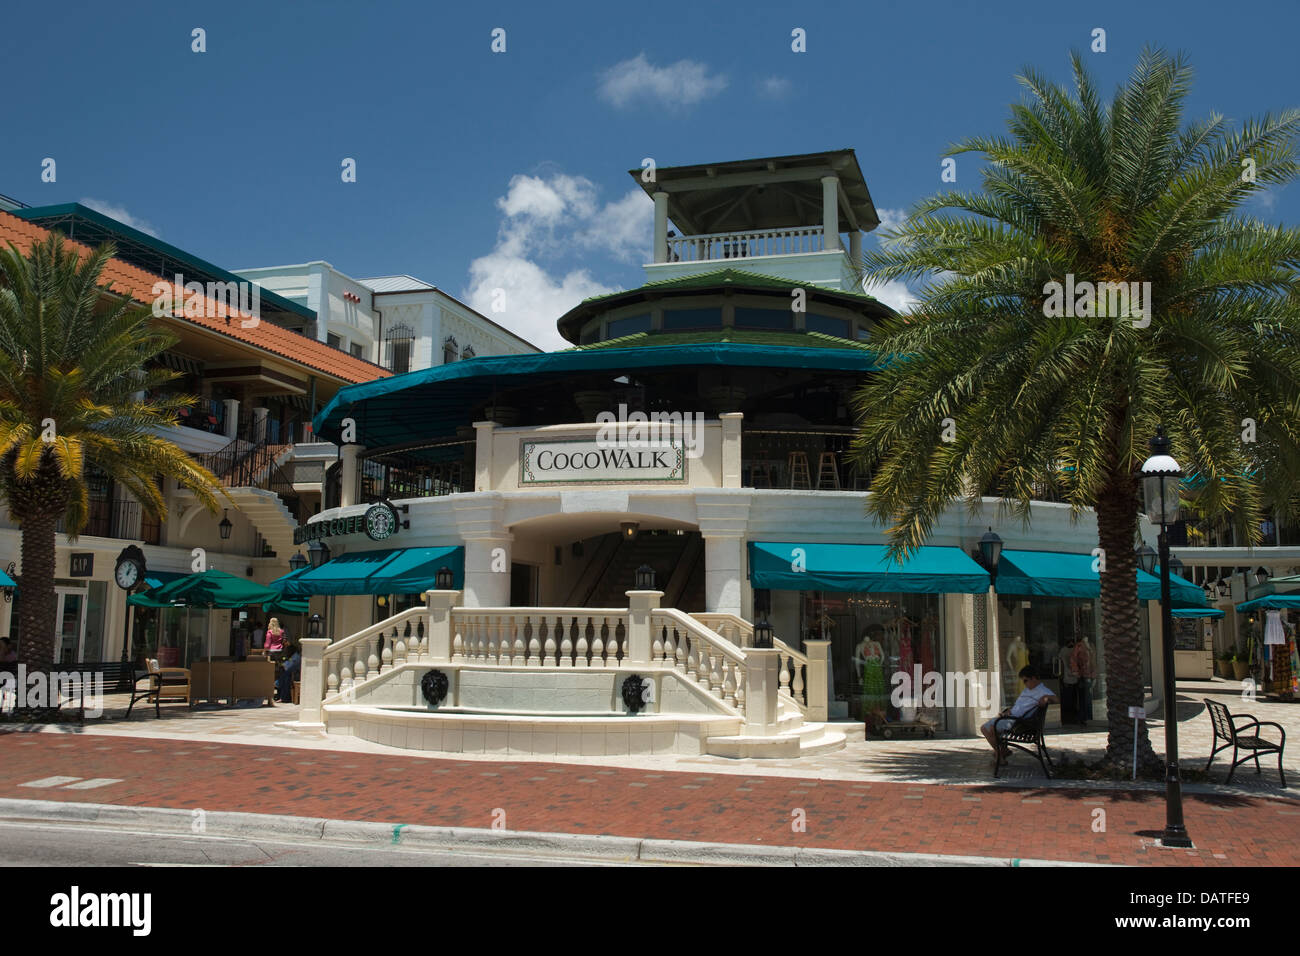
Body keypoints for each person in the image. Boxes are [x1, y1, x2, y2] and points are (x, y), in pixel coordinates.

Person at [981, 666, 1058, 764]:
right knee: (987, 728)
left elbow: (1056, 699)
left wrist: (1046, 697)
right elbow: (1020, 706)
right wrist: (1009, 711)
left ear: (1033, 678)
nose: (1024, 683)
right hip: (1012, 717)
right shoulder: (1028, 689)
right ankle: (1002, 752)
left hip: (1018, 722)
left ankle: (1000, 755)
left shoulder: (1042, 690)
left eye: (1025, 680)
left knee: (989, 728)